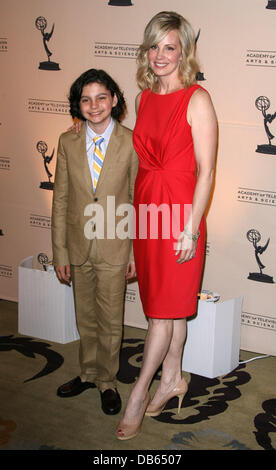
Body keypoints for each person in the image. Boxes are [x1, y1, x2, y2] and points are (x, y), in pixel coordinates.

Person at [116, 11, 217, 440]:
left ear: (184, 52)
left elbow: (207, 172)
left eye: (169, 47)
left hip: (180, 216)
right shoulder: (143, 98)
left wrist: (191, 227)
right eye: (154, 46)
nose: (160, 55)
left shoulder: (198, 99)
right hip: (148, 212)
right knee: (167, 305)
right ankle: (173, 377)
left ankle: (138, 394)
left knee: (161, 313)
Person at [51, 69, 138, 415]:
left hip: (116, 245)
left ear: (114, 99)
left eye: (102, 97)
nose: (95, 105)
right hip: (77, 245)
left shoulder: (132, 141)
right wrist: (60, 251)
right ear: (78, 105)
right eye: (86, 99)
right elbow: (60, 200)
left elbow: (137, 198)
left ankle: (108, 381)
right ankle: (87, 373)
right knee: (84, 315)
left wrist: (135, 250)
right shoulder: (67, 140)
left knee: (110, 319)